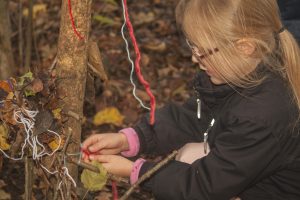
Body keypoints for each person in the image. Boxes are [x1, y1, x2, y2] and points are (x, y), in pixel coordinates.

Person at [82, 0, 300, 199]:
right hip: (253, 170)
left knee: (190, 164)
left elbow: (202, 186)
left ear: (244, 47)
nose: (194, 57)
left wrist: (136, 171)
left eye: (202, 51)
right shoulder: (245, 70)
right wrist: (132, 139)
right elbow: (194, 118)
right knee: (189, 155)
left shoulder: (262, 114)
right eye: (192, 46)